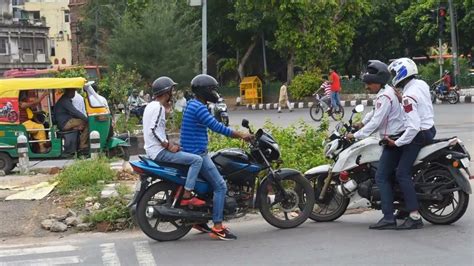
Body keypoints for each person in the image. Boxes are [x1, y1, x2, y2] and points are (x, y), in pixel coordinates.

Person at [180, 74, 252, 240]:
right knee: (220, 186)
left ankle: (198, 220)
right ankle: (218, 227)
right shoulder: (199, 108)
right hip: (197, 153)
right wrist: (241, 135)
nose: (215, 92)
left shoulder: (192, 104)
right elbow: (217, 127)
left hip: (192, 150)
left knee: (212, 183)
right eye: (212, 89)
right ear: (204, 91)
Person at [346, 60, 405, 230]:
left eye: (369, 83)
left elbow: (377, 122)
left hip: (393, 140)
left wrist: (355, 135)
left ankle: (388, 218)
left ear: (378, 82)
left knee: (381, 177)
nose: (367, 87)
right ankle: (403, 209)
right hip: (394, 137)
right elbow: (374, 113)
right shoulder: (385, 93)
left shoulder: (386, 96)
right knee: (391, 176)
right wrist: (361, 123)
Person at [385, 57, 436, 230]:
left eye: (394, 73)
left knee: (401, 173)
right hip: (430, 129)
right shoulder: (421, 84)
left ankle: (414, 215)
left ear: (401, 73)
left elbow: (413, 127)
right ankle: (404, 207)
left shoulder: (408, 96)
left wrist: (397, 143)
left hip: (418, 134)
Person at [143, 76, 204, 206]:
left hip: (152, 150)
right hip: (159, 151)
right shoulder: (158, 107)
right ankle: (187, 195)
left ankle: (181, 189)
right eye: (172, 90)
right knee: (197, 160)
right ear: (166, 93)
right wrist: (168, 146)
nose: (173, 93)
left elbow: (156, 129)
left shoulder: (150, 106)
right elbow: (153, 130)